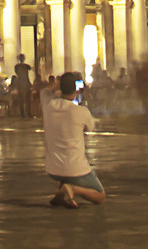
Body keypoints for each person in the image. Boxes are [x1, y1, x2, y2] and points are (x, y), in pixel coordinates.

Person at [41, 72, 105, 208]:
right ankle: (73, 189)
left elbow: (44, 92)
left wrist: (56, 85)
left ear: (60, 89)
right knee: (100, 195)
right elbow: (91, 127)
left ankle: (60, 193)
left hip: (52, 169)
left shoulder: (48, 106)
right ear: (76, 91)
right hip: (76, 169)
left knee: (62, 155)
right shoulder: (81, 111)